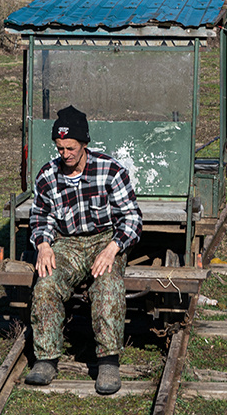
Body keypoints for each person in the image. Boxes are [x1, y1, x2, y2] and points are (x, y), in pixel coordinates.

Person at [24, 105, 143, 395]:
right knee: (46, 284)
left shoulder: (110, 171)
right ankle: (46, 359)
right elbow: (40, 216)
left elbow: (132, 218)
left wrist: (113, 248)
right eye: (60, 148)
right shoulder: (48, 176)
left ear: (84, 144)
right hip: (68, 243)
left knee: (107, 284)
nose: (65, 154)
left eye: (71, 148)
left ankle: (108, 362)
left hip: (105, 241)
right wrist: (43, 244)